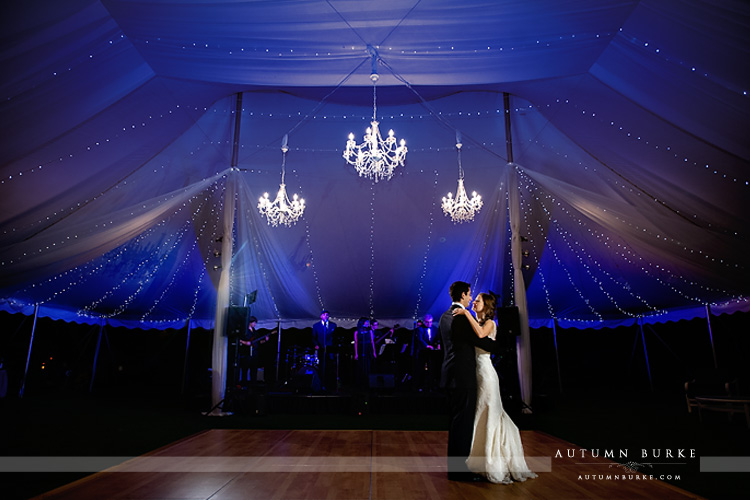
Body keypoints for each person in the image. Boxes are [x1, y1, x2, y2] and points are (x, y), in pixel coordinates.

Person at [454, 292, 537, 484]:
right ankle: (479, 460)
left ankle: (493, 461)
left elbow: (482, 335)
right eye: (473, 300)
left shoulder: (490, 323)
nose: (474, 302)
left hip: (486, 374)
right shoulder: (477, 322)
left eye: (478, 301)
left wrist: (465, 313)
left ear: (487, 305)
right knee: (480, 413)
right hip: (476, 373)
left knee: (489, 412)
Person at [439, 281, 497, 482]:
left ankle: (454, 469)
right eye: (470, 294)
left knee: (456, 425)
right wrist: (497, 343)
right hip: (463, 379)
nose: (471, 298)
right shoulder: (461, 318)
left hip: (449, 377)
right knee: (462, 427)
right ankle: (459, 472)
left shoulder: (444, 317)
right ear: (463, 295)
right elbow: (481, 340)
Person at [312, 309, 337, 391]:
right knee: (322, 365)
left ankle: (329, 385)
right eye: (324, 315)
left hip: (329, 349)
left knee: (329, 366)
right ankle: (320, 384)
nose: (326, 316)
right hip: (321, 348)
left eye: (327, 315)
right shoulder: (316, 326)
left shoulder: (333, 325)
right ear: (321, 316)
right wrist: (316, 345)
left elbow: (335, 337)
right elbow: (313, 337)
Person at [353, 317, 376, 389]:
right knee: (360, 366)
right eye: (367, 322)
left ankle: (368, 382)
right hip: (360, 349)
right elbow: (356, 343)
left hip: (368, 349)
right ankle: (360, 383)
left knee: (368, 365)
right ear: (363, 323)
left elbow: (372, 342)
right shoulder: (357, 332)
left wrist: (374, 352)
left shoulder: (370, 331)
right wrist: (356, 353)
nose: (368, 324)